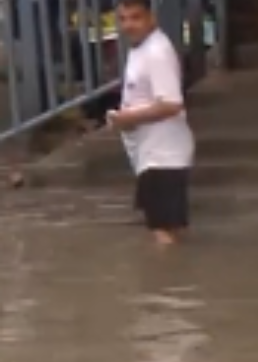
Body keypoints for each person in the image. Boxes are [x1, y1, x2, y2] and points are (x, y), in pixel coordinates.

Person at [107, 0, 194, 246]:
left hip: (163, 156)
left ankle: (167, 281)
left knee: (162, 233)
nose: (128, 25)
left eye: (136, 18)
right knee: (166, 228)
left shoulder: (156, 52)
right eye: (123, 19)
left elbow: (171, 103)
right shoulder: (141, 49)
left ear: (151, 18)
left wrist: (126, 118)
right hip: (152, 155)